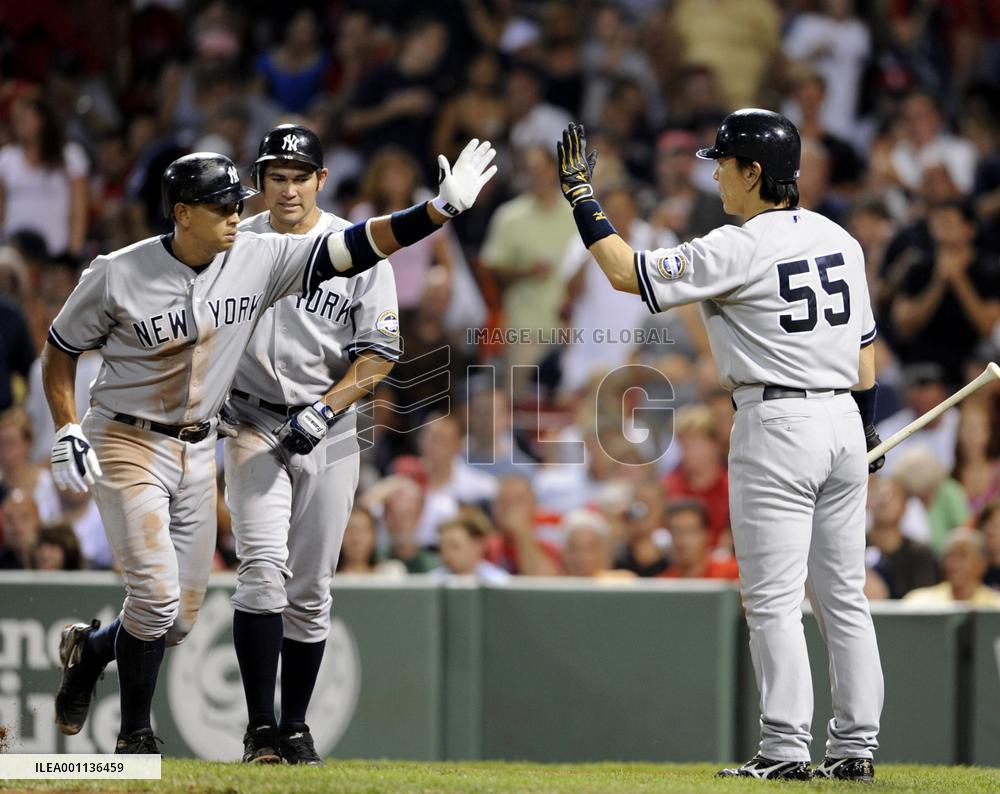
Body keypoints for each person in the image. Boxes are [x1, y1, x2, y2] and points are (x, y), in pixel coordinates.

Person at [44, 141, 496, 755]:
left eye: (241, 200)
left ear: (321, 180)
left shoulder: (259, 254)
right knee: (191, 587)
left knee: (183, 617)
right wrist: (67, 424)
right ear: (182, 211)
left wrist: (436, 213)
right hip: (161, 431)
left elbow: (360, 251)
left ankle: (94, 650)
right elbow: (61, 346)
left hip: (252, 436)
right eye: (230, 199)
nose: (240, 211)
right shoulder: (122, 268)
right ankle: (151, 739)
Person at [557, 113, 883, 781]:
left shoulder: (736, 245)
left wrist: (581, 196)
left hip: (778, 423)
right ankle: (855, 749)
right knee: (843, 597)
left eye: (725, 163)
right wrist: (867, 430)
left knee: (772, 600)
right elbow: (866, 364)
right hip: (844, 422)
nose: (716, 174)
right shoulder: (841, 239)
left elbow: (625, 272)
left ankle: (786, 749)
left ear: (754, 172)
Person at [221, 125, 403, 765]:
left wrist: (327, 409)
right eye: (277, 177)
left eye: (301, 177)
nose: (289, 188)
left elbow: (380, 352)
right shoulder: (233, 243)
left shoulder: (355, 248)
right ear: (260, 183)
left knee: (311, 587)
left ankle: (294, 726)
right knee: (260, 573)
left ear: (321, 181)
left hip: (332, 424)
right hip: (249, 421)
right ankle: (258, 731)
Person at [903, 527, 1000, 606]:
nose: (954, 564)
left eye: (963, 555)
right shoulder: (918, 602)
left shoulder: (995, 606)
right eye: (950, 555)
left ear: (982, 564)